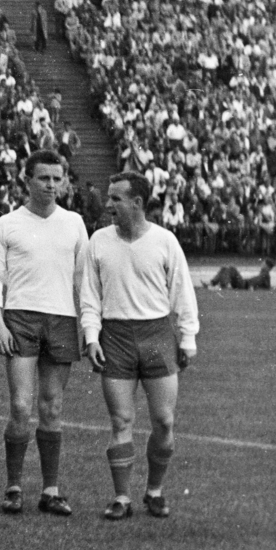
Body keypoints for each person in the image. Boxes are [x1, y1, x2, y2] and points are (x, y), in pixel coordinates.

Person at [81, 172, 199, 520]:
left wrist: (188, 337)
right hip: (115, 337)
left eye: (116, 198)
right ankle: (121, 497)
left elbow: (182, 292)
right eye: (109, 197)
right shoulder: (99, 242)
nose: (108, 205)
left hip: (156, 336)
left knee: (163, 421)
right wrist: (91, 336)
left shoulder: (164, 241)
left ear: (137, 203)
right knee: (121, 420)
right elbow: (89, 296)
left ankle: (155, 491)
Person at [0, 150, 88, 516]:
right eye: (44, 178)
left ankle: (51, 490)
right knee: (20, 406)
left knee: (52, 407)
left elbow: (83, 283)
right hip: (21, 318)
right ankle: (13, 487)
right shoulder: (8, 224)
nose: (51, 185)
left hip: (61, 318)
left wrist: (89, 327)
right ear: (27, 181)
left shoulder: (74, 223)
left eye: (57, 178)